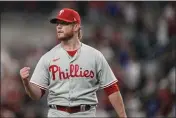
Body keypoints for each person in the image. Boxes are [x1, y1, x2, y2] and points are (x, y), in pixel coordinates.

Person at [20, 8, 127, 117]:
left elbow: (112, 89)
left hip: (85, 113)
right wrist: (26, 83)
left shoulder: (95, 56)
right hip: (57, 113)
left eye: (63, 23)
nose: (59, 27)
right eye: (57, 24)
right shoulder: (48, 57)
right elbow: (37, 95)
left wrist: (123, 116)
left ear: (76, 27)